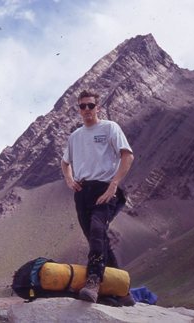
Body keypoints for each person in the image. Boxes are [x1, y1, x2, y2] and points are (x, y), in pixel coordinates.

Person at [61, 90, 134, 302]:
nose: (86, 110)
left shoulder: (110, 128)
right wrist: (69, 180)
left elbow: (127, 156)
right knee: (97, 239)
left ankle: (93, 281)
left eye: (90, 105)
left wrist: (114, 185)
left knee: (97, 230)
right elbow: (65, 163)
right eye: (82, 106)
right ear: (78, 110)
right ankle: (123, 291)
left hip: (105, 188)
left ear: (97, 107)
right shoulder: (75, 136)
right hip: (83, 192)